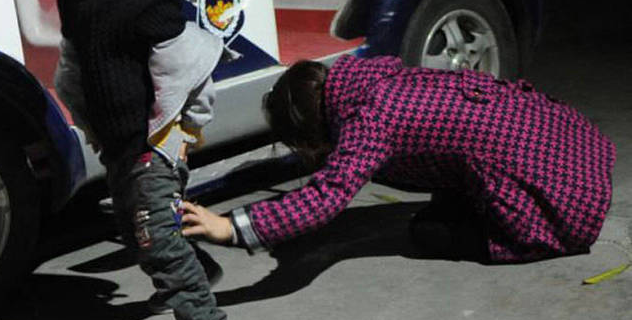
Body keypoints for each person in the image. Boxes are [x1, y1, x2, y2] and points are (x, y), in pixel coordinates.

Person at [181, 55, 616, 264]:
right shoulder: (367, 75)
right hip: (572, 143)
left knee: (426, 232)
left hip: (566, 197)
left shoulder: (369, 121)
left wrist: (231, 226)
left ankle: (516, 224)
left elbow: (327, 196)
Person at [54, 0, 231, 320]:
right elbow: (73, 62)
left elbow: (192, 68)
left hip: (157, 141)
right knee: (140, 234)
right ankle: (194, 270)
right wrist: (89, 123)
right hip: (118, 142)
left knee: (152, 233)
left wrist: (183, 134)